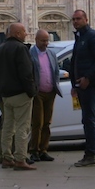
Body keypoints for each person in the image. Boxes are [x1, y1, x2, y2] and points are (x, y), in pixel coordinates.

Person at [0, 22, 37, 171]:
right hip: (20, 94)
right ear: (17, 34)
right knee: (22, 127)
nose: (26, 34)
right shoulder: (20, 48)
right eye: (24, 31)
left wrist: (2, 89)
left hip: (5, 95)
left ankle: (6, 158)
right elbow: (26, 73)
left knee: (7, 127)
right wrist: (31, 91)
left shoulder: (0, 49)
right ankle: (20, 159)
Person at [70, 9, 95, 167]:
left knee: (88, 119)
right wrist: (74, 85)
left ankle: (91, 153)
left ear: (86, 19)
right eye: (73, 19)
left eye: (78, 19)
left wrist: (88, 78)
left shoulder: (93, 36)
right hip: (82, 84)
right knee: (89, 118)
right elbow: (75, 63)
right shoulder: (80, 37)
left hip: (91, 84)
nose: (75, 21)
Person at [28, 29, 62, 162]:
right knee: (37, 122)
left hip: (50, 92)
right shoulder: (30, 54)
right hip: (38, 93)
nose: (46, 43)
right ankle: (34, 150)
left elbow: (56, 70)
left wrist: (55, 84)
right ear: (36, 40)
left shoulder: (51, 54)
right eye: (43, 41)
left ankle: (44, 149)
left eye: (47, 40)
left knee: (47, 122)